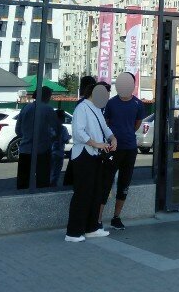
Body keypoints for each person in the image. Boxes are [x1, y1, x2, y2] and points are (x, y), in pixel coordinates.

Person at [65, 80, 117, 242]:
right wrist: (97, 144)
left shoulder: (96, 109)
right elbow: (78, 132)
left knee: (95, 192)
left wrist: (112, 138)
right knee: (82, 193)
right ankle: (73, 233)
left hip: (95, 156)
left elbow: (105, 128)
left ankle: (91, 228)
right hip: (83, 155)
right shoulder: (82, 108)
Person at [99, 72, 146, 231]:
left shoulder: (138, 104)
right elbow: (106, 124)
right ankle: (98, 219)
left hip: (130, 148)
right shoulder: (111, 103)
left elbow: (137, 124)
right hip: (113, 149)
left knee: (124, 183)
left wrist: (126, 133)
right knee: (106, 181)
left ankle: (116, 217)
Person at [15, 86, 61, 190]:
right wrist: (53, 139)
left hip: (25, 150)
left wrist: (27, 136)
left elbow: (18, 130)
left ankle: (22, 198)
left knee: (23, 182)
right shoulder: (48, 109)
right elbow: (57, 128)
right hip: (42, 151)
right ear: (46, 96)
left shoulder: (26, 108)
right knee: (43, 182)